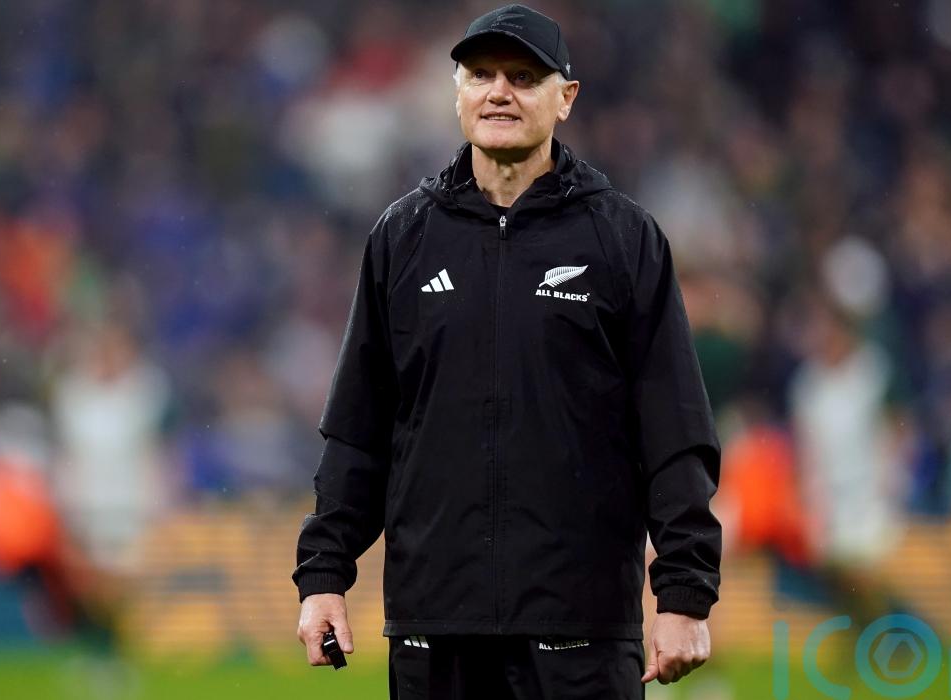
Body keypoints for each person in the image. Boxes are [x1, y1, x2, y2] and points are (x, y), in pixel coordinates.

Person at [293, 5, 722, 697]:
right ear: (457, 92)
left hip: (581, 633)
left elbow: (675, 434)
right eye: (481, 75)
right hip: (435, 631)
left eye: (523, 77)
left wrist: (684, 594)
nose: (499, 92)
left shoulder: (623, 239)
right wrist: (323, 576)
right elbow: (358, 433)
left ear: (566, 98)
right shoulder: (402, 237)